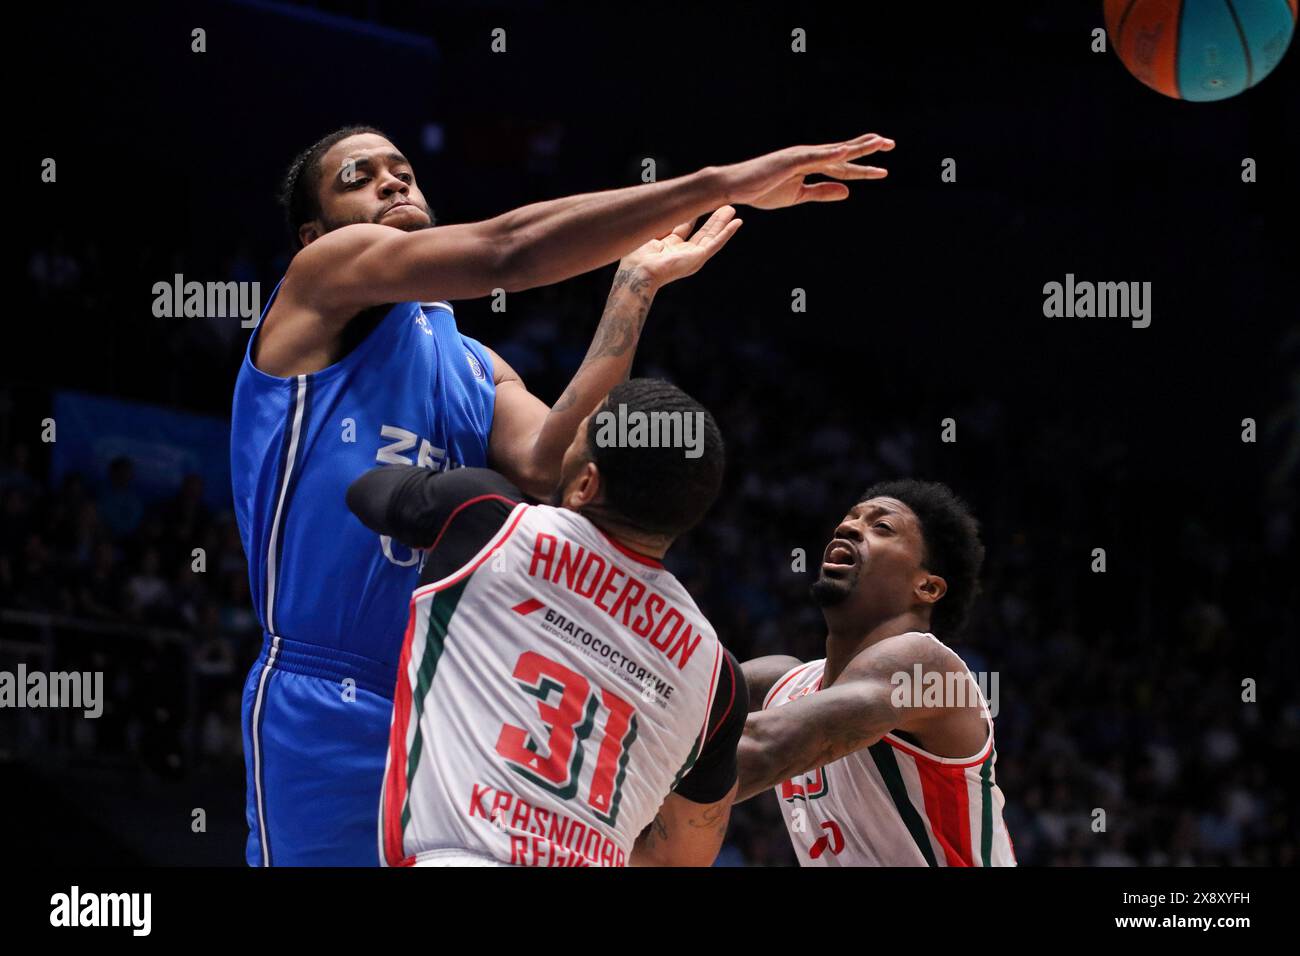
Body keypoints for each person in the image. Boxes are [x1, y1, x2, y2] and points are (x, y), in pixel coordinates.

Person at [348, 379, 748, 867]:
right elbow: (681, 858)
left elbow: (367, 492)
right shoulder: (719, 677)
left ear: (586, 485)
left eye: (574, 440)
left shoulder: (490, 520)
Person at [736, 480, 1015, 866]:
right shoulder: (778, 682)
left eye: (881, 527)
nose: (847, 527)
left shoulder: (928, 669)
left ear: (928, 587)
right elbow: (682, 700)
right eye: (849, 519)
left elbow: (762, 750)